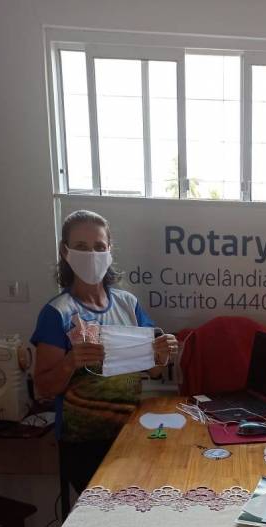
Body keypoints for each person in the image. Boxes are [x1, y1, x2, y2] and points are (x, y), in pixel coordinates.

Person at [32, 209, 179, 495]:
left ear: (110, 250)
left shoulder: (128, 304)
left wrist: (164, 352)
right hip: (83, 442)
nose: (92, 255)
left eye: (99, 247)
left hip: (131, 433)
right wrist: (70, 363)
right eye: (82, 247)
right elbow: (43, 388)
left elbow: (154, 369)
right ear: (65, 251)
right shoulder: (57, 313)